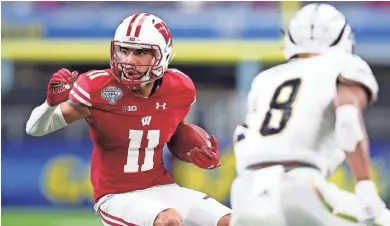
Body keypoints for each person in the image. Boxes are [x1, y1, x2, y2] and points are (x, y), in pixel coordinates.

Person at [26, 13, 231, 226]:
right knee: (169, 219)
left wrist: (197, 152)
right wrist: (49, 105)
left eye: (141, 52)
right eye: (124, 50)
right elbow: (35, 129)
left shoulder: (180, 87)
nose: (130, 60)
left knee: (231, 220)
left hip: (161, 188)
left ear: (163, 55)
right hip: (115, 195)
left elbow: (175, 135)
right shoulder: (98, 88)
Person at [230, 3, 390, 226]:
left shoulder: (265, 79)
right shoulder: (345, 65)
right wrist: (365, 187)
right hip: (299, 184)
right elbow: (347, 123)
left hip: (246, 190)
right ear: (344, 37)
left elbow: (243, 136)